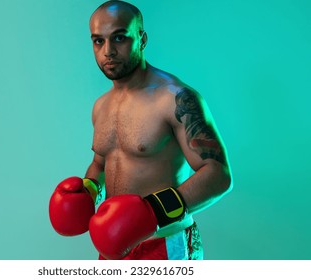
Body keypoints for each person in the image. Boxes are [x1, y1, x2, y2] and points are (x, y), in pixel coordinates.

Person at [49, 0, 232, 260]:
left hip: (166, 244)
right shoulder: (101, 106)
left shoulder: (175, 98)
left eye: (120, 38)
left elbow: (218, 174)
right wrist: (88, 191)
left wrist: (152, 213)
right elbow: (101, 164)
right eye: (98, 41)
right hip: (114, 245)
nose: (108, 51)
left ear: (142, 38)